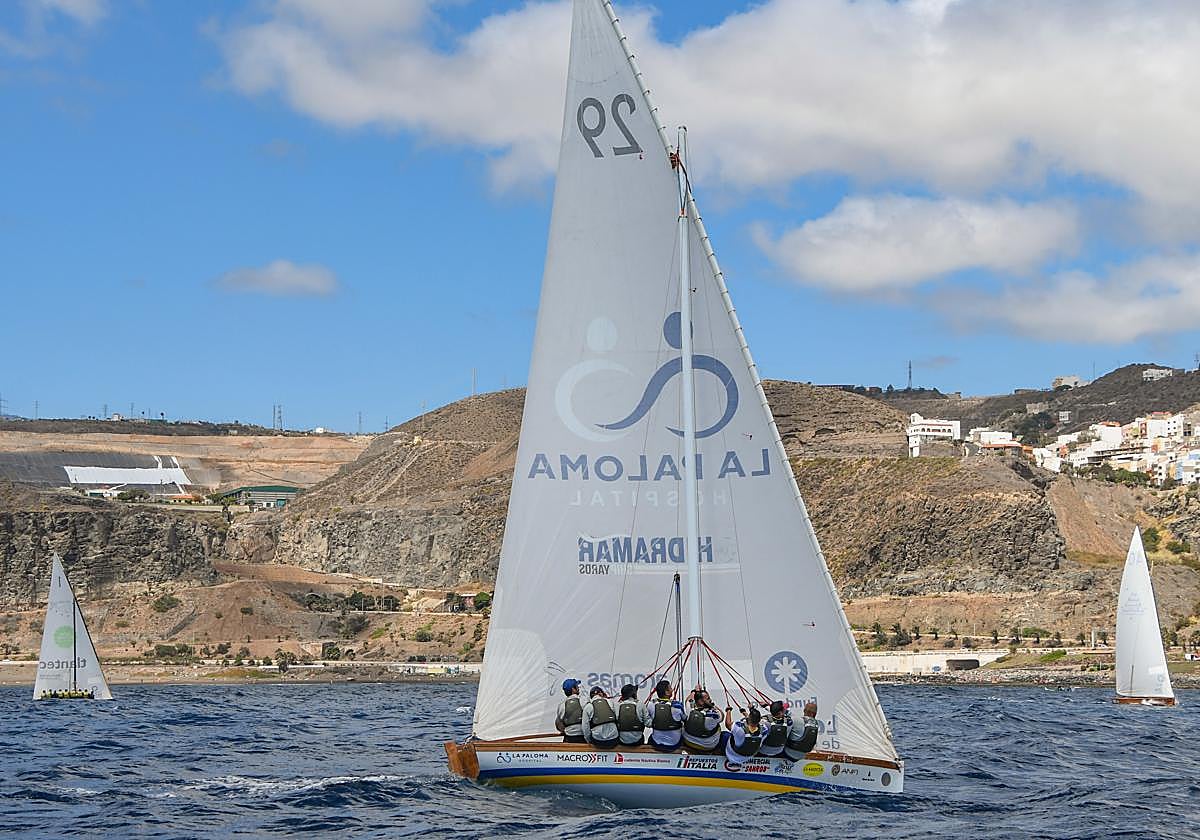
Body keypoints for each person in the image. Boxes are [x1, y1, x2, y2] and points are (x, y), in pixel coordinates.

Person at [681, 687, 728, 754]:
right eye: (708, 698)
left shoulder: (690, 710)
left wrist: (694, 691)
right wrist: (712, 705)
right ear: (701, 701)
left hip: (689, 742)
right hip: (708, 746)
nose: (710, 700)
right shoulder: (712, 715)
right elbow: (722, 716)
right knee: (725, 735)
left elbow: (688, 700)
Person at [644, 679, 685, 751]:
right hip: (674, 744)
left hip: (656, 743)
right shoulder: (678, 706)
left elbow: (648, 721)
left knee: (651, 737)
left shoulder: (650, 705)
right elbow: (685, 719)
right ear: (667, 692)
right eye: (671, 688)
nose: (672, 690)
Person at [555, 678, 585, 743]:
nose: (578, 688)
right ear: (573, 689)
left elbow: (558, 725)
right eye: (577, 686)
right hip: (583, 738)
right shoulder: (583, 701)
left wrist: (566, 731)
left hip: (569, 738)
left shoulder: (561, 705)